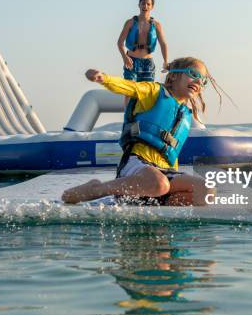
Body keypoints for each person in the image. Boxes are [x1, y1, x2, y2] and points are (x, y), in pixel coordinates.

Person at [62, 57, 218, 206]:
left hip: (164, 172)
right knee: (159, 184)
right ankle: (96, 189)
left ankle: (160, 205)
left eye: (203, 80)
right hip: (137, 163)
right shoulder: (154, 92)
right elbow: (130, 87)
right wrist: (104, 78)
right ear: (174, 76)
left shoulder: (184, 114)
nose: (198, 81)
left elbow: (170, 153)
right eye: (193, 74)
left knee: (206, 191)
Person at [117, 0, 169, 83]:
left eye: (148, 4)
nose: (145, 6)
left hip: (148, 63)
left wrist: (166, 61)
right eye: (143, 3)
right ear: (139, 5)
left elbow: (163, 44)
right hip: (131, 61)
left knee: (146, 94)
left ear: (152, 7)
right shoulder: (130, 22)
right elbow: (120, 42)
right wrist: (124, 57)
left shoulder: (156, 25)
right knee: (130, 92)